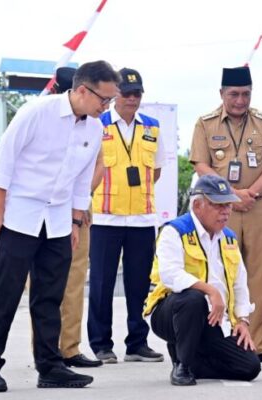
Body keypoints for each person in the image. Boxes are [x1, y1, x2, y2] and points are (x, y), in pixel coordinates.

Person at [0, 61, 120, 392]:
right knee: (5, 294)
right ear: (83, 90)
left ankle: (50, 366)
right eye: (104, 100)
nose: (106, 106)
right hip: (20, 217)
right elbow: (4, 160)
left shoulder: (96, 129)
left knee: (50, 297)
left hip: (57, 222)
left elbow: (82, 182)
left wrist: (75, 222)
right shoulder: (37, 112)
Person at [190, 66, 262, 363]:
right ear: (221, 94)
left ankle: (260, 342)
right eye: (234, 94)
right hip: (220, 207)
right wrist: (231, 195)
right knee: (221, 271)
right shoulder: (205, 124)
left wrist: (252, 192)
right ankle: (220, 338)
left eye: (246, 94)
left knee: (258, 274)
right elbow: (201, 165)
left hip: (257, 206)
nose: (240, 100)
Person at [144, 174, 261, 385]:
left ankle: (193, 360)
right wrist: (210, 291)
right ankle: (182, 366)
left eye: (229, 205)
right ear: (198, 205)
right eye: (219, 205)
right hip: (171, 314)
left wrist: (242, 320)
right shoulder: (174, 231)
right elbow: (170, 275)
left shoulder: (229, 238)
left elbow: (239, 283)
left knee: (249, 366)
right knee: (193, 298)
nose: (226, 211)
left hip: (213, 319)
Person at [88, 67, 165, 364]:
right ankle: (100, 343)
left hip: (142, 219)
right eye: (126, 93)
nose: (132, 99)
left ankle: (137, 343)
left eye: (137, 94)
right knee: (102, 285)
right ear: (115, 94)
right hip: (105, 217)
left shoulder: (152, 127)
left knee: (138, 285)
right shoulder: (98, 123)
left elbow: (155, 171)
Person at [53, 66, 104, 369]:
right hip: (45, 211)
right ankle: (45, 348)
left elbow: (98, 166)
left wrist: (80, 201)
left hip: (79, 210)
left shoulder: (93, 126)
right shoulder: (44, 119)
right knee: (45, 284)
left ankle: (70, 348)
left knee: (74, 281)